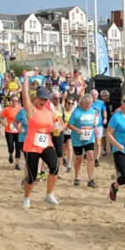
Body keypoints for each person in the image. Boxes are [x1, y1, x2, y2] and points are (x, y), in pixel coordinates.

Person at [21, 73, 59, 208]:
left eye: (45, 99)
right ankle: (27, 197)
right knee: (32, 176)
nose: (43, 102)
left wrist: (57, 128)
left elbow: (55, 126)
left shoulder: (50, 113)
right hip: (31, 146)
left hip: (46, 144)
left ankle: (49, 194)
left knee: (54, 166)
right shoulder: (31, 110)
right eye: (41, 99)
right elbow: (25, 95)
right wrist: (26, 79)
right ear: (36, 98)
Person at [68, 94, 97, 187]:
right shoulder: (76, 113)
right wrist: (77, 130)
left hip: (89, 138)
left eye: (89, 104)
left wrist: (95, 127)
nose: (87, 105)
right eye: (86, 104)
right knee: (78, 159)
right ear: (82, 103)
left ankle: (91, 179)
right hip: (77, 139)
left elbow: (93, 122)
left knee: (91, 156)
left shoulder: (92, 111)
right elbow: (69, 124)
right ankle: (77, 177)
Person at [1, 94, 22, 169]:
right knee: (11, 147)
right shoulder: (7, 109)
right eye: (13, 100)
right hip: (9, 131)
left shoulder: (21, 109)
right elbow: (1, 117)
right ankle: (10, 153)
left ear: (18, 102)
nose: (14, 102)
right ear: (10, 101)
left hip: (18, 131)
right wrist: (4, 122)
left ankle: (17, 164)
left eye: (16, 101)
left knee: (18, 147)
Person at [50, 91, 66, 173]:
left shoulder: (61, 107)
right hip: (50, 131)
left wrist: (62, 128)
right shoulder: (49, 107)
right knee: (50, 150)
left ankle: (58, 171)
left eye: (59, 98)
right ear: (51, 99)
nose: (57, 100)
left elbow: (64, 121)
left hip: (59, 131)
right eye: (55, 98)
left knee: (59, 151)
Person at [91, 89, 107, 167]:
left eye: (96, 95)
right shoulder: (88, 102)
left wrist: (105, 118)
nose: (94, 97)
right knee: (90, 142)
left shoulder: (101, 103)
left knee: (98, 142)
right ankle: (89, 155)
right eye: (93, 95)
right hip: (89, 125)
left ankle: (97, 158)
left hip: (99, 125)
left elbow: (104, 111)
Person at [62, 97, 75, 172]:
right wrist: (65, 125)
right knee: (64, 147)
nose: (70, 105)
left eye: (72, 103)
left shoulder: (74, 112)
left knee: (70, 147)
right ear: (66, 103)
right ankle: (64, 157)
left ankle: (69, 165)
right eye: (69, 103)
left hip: (70, 132)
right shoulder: (63, 111)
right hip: (63, 132)